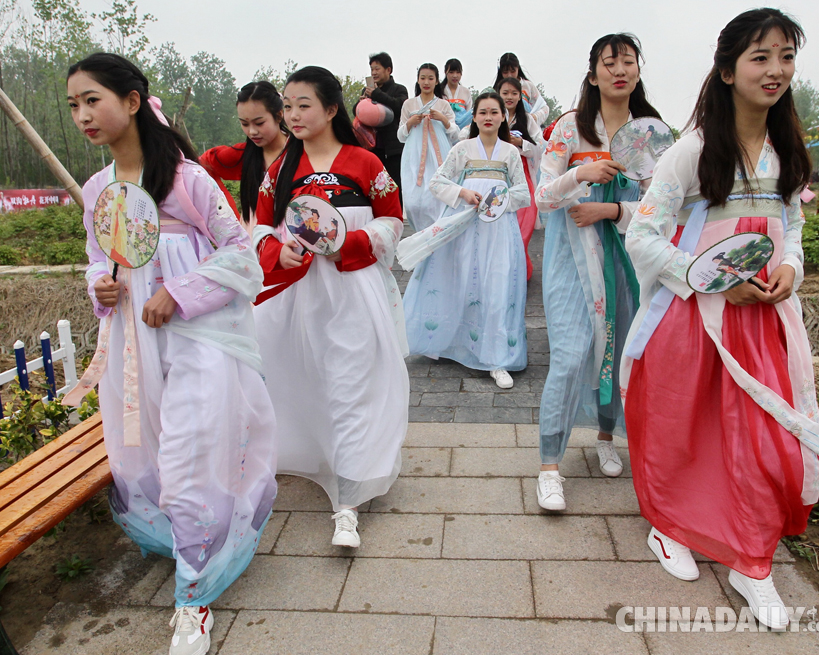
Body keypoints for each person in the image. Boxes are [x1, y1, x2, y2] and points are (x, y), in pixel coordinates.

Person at [621, 8, 819, 629]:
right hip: (694, 319)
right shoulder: (691, 152)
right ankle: (669, 525)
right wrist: (711, 280)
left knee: (764, 438)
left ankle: (753, 562)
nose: (775, 70)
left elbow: (792, 226)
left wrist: (791, 267)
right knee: (684, 426)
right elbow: (643, 236)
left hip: (763, 321)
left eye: (786, 57)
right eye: (760, 57)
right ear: (727, 70)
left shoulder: (786, 152)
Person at [65, 52, 276, 655]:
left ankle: (193, 599)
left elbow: (240, 254)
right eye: (74, 105)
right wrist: (101, 286)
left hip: (199, 341)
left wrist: (179, 292)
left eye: (92, 100)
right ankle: (185, 541)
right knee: (145, 451)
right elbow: (97, 259)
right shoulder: (98, 190)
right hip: (134, 347)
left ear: (132, 101)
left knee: (188, 457)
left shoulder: (188, 181)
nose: (82, 115)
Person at [253, 66, 408, 549]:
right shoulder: (279, 171)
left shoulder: (366, 163)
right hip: (298, 296)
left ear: (331, 109)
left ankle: (348, 502)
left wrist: (352, 243)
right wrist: (276, 250)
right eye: (288, 106)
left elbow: (393, 221)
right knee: (309, 378)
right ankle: (318, 456)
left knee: (349, 384)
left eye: (304, 105)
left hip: (352, 289)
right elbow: (259, 229)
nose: (293, 115)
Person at [534, 33, 660, 512]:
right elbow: (543, 196)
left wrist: (611, 211)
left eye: (628, 62)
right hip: (572, 259)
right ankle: (549, 466)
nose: (620, 70)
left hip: (627, 261)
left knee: (621, 347)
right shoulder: (570, 128)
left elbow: (660, 206)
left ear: (638, 72)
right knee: (570, 355)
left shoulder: (651, 134)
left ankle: (607, 436)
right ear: (593, 75)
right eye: (610, 63)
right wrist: (579, 175)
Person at [399, 92, 530, 389]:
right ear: (474, 117)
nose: (488, 117)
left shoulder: (510, 152)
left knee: (496, 285)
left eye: (494, 112)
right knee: (463, 281)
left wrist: (499, 200)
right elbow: (437, 182)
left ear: (503, 117)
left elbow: (523, 193)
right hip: (465, 228)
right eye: (483, 112)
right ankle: (455, 343)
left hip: (499, 230)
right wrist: (463, 193)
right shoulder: (462, 148)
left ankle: (496, 358)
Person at [200, 81, 288, 232]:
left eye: (259, 123)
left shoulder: (300, 152)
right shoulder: (243, 154)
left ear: (279, 115)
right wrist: (227, 215)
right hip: (254, 237)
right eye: (244, 124)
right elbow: (203, 165)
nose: (252, 131)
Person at [398, 63, 460, 231]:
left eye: (430, 78)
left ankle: (438, 233)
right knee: (413, 201)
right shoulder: (409, 104)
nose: (426, 82)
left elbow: (455, 134)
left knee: (437, 198)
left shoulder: (443, 105)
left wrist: (443, 119)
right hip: (415, 154)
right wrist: (410, 122)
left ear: (437, 81)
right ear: (418, 80)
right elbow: (400, 135)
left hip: (438, 154)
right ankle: (420, 232)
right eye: (423, 78)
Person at [496, 76, 544, 280]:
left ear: (520, 96)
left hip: (522, 176)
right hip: (498, 176)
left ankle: (519, 271)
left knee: (523, 224)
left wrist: (520, 143)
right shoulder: (493, 115)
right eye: (505, 93)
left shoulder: (528, 120)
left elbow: (540, 146)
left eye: (514, 93)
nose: (509, 97)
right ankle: (503, 272)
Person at [355, 52, 408, 204]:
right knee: (373, 185)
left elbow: (400, 107)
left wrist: (377, 94)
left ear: (388, 70)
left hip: (393, 149)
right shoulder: (367, 91)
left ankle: (396, 214)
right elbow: (356, 113)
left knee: (394, 185)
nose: (374, 73)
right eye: (372, 69)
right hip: (372, 147)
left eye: (377, 69)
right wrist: (361, 103)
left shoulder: (399, 89)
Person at [493, 53, 549, 126]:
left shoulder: (528, 86)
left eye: (513, 71)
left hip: (525, 126)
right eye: (505, 72)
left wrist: (534, 117)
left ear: (518, 69)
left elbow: (544, 108)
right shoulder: (496, 90)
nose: (509, 75)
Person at [438, 58, 472, 128]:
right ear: (445, 72)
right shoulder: (439, 91)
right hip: (443, 126)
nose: (455, 75)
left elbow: (468, 113)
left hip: (462, 128)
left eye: (458, 72)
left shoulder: (466, 92)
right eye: (451, 72)